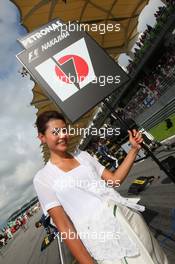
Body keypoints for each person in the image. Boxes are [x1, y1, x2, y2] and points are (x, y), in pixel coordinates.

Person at [33, 110, 168, 264]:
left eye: (64, 130)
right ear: (42, 137)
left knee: (159, 260)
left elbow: (115, 181)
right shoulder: (42, 178)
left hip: (129, 216)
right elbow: (65, 227)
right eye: (55, 132)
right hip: (106, 239)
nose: (63, 135)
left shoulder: (82, 155)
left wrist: (134, 150)